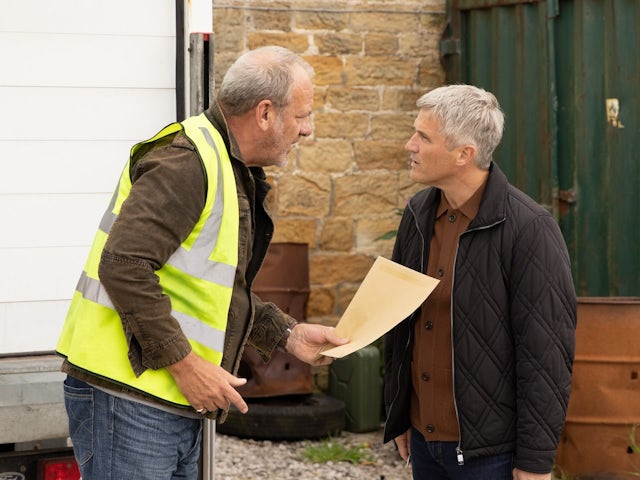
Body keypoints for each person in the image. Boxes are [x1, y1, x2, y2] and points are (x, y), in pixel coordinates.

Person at [56, 45, 347, 480]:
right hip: (131, 399)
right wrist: (187, 367)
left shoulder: (225, 165)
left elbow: (209, 288)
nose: (308, 130)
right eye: (302, 115)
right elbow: (123, 264)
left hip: (161, 399)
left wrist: (287, 334)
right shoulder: (187, 162)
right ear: (265, 113)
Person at [383, 84, 577, 480]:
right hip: (423, 442)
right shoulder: (418, 214)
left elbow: (546, 354)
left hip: (492, 456)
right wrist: (398, 413)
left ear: (464, 154)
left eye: (423, 136)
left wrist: (535, 460)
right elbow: (399, 324)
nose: (410, 145)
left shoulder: (529, 228)